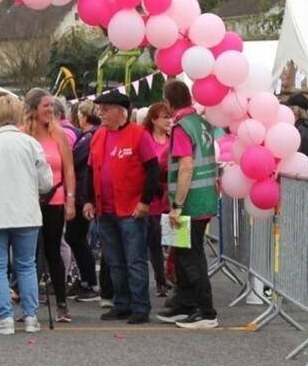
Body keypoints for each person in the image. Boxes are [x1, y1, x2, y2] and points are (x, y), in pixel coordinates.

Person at [0, 96, 52, 335]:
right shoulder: (30, 143)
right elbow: (46, 182)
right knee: (26, 265)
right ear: (18, 115)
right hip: (26, 213)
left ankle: (4, 318)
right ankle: (30, 317)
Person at [89, 90, 160, 325]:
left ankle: (140, 306)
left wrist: (145, 201)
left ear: (121, 112)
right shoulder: (98, 136)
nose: (101, 113)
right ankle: (122, 304)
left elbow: (152, 170)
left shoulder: (138, 134)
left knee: (134, 259)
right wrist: (88, 200)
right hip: (105, 209)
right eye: (100, 109)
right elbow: (91, 172)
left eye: (106, 109)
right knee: (114, 261)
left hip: (131, 209)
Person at [156, 81, 220, 329]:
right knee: (181, 254)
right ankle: (185, 304)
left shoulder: (182, 128)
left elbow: (186, 166)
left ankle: (206, 311)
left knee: (190, 257)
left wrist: (177, 205)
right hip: (205, 197)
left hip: (189, 203)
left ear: (169, 103)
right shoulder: (202, 123)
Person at [20, 88, 77, 322]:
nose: (50, 110)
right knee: (28, 255)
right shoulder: (23, 135)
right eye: (45, 106)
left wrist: (71, 200)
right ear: (33, 109)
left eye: (51, 106)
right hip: (29, 200)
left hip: (55, 197)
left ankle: (61, 303)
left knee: (53, 250)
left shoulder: (59, 134)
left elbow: (69, 169)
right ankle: (29, 305)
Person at [67, 101, 102, 303]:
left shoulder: (90, 137)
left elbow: (76, 160)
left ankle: (90, 281)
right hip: (81, 192)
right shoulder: (87, 136)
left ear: (84, 115)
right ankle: (86, 279)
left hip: (82, 193)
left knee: (76, 236)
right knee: (76, 237)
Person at [142, 102, 174, 297]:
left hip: (169, 197)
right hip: (152, 197)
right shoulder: (146, 138)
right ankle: (160, 280)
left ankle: (171, 277)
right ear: (154, 119)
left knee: (174, 240)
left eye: (170, 116)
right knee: (153, 241)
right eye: (165, 117)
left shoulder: (173, 140)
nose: (169, 121)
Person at [286, 93, 308, 177]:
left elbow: (303, 157)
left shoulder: (302, 131)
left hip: (302, 179)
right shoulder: (307, 129)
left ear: (295, 110)